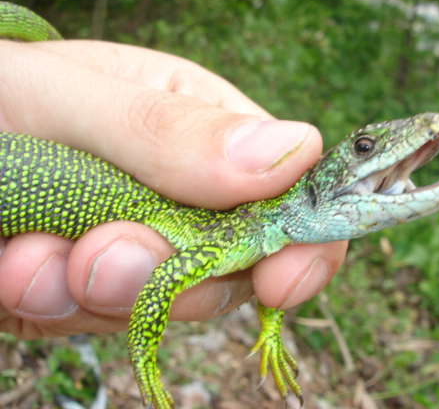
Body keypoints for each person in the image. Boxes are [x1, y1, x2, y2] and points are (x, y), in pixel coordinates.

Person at [0, 39, 348, 339]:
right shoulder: (243, 227)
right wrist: (145, 361)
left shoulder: (261, 234)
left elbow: (269, 289)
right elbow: (162, 280)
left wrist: (270, 334)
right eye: (363, 148)